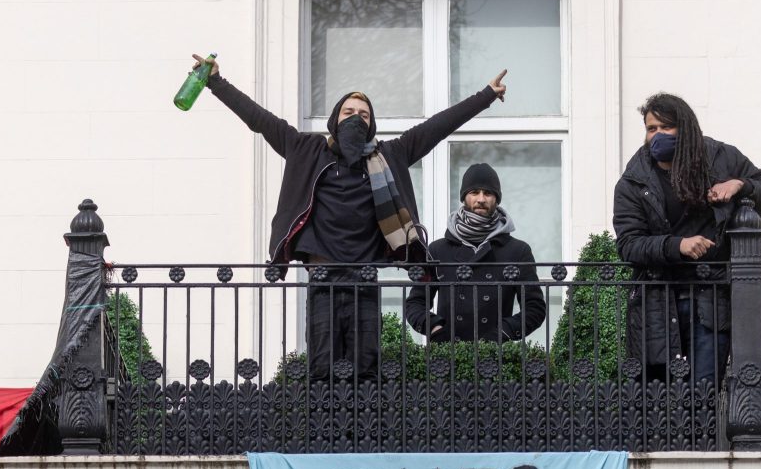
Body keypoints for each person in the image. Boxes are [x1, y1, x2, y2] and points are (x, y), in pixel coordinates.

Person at [196, 54, 508, 379]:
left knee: (366, 371)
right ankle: (322, 430)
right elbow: (260, 120)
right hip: (321, 277)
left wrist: (485, 95)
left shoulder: (388, 156)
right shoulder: (307, 150)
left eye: (363, 114)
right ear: (335, 118)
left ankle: (364, 431)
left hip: (364, 277)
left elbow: (436, 128)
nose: (356, 118)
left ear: (371, 124)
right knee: (321, 368)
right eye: (349, 112)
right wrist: (216, 82)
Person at [612, 92, 761, 387]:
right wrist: (676, 245)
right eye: (651, 129)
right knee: (658, 398)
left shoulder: (721, 158)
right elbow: (629, 245)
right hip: (657, 303)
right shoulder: (634, 179)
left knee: (703, 395)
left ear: (685, 127)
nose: (658, 135)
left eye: (666, 127)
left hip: (710, 301)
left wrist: (741, 185)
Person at [404, 162, 546, 344]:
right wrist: (434, 327)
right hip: (447, 356)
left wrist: (503, 332)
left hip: (496, 357)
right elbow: (415, 303)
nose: (481, 199)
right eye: (474, 192)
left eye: (488, 193)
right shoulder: (437, 250)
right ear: (464, 197)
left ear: (496, 198)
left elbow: (535, 308)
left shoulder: (518, 251)